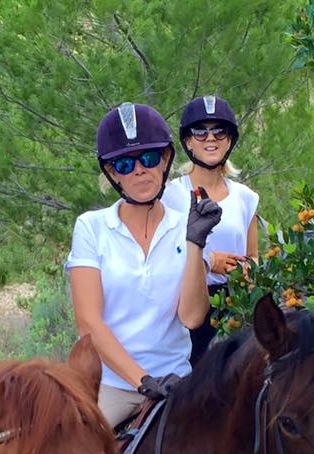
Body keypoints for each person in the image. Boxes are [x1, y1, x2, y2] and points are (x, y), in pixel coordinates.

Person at [66, 102, 221, 428]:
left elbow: (192, 317)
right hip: (115, 387)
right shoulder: (91, 227)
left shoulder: (187, 225)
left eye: (148, 159)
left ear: (165, 160)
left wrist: (196, 243)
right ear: (111, 172)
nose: (139, 170)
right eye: (124, 164)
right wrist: (143, 380)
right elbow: (88, 323)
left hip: (178, 383)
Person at [162, 95, 259, 365]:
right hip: (185, 305)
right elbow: (161, 254)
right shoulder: (169, 196)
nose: (210, 138)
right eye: (200, 131)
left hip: (236, 307)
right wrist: (210, 261)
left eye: (219, 130)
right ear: (188, 141)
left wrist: (248, 269)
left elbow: (253, 255)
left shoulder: (246, 198)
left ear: (230, 139)